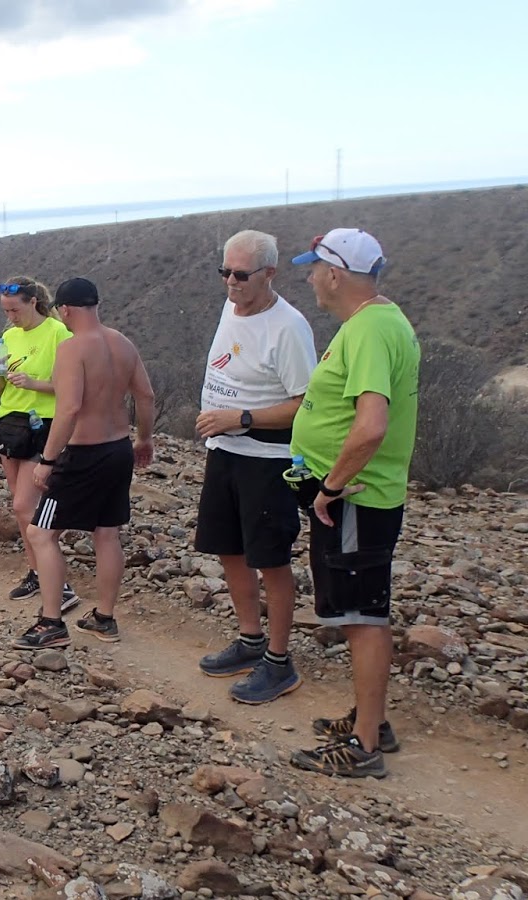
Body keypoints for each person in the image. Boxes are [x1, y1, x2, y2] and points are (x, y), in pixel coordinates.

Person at [285, 228, 418, 779]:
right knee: (361, 612)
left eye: (314, 269)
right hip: (365, 496)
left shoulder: (367, 330)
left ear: (335, 274)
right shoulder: (382, 321)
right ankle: (372, 720)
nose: (311, 279)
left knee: (362, 618)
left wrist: (332, 487)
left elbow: (370, 426)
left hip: (357, 499)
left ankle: (364, 747)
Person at [193, 230, 318, 704]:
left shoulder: (288, 327)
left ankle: (279, 661)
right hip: (224, 452)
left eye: (241, 274)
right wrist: (224, 424)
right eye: (224, 272)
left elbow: (306, 405)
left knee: (270, 559)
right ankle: (250, 639)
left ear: (269, 273)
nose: (231, 282)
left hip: (268, 461)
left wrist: (241, 418)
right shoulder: (231, 307)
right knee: (229, 549)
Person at [17, 277, 155, 649]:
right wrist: (144, 438)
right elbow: (145, 395)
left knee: (40, 533)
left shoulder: (72, 348)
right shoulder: (122, 342)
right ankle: (104, 618)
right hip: (118, 449)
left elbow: (69, 408)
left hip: (82, 455)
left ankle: (51, 623)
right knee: (106, 533)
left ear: (64, 310)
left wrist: (47, 460)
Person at [0, 277, 80, 612]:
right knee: (20, 505)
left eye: (15, 310)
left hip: (43, 424)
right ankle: (37, 572)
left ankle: (60, 584)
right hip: (10, 422)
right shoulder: (9, 337)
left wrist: (33, 383)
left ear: (33, 302)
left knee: (25, 504)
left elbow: (70, 386)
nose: (11, 317)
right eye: (6, 311)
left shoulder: (58, 333)